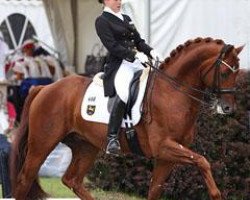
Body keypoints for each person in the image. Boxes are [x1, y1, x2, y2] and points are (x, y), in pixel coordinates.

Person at [95, 0, 162, 155]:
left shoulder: (126, 18)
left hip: (137, 63)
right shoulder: (102, 21)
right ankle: (112, 138)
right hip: (120, 65)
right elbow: (112, 46)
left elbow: (138, 42)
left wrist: (151, 52)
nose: (118, 1)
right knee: (124, 93)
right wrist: (135, 55)